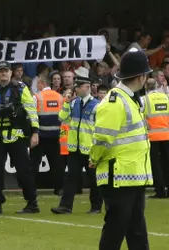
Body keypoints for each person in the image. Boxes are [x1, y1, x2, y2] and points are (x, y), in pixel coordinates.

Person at [89, 48, 154, 249]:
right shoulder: (115, 101)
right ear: (142, 77)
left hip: (131, 176)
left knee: (136, 232)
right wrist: (95, 157)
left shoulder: (129, 100)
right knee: (116, 231)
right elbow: (102, 138)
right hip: (118, 176)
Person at [0, 61, 39, 215]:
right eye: (0, 71)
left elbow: (31, 110)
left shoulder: (20, 88)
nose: (3, 73)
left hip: (17, 134)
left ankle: (32, 202)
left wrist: (35, 132)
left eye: (6, 71)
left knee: (23, 171)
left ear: (11, 72)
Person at [51, 76, 102, 215]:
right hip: (74, 148)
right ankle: (65, 206)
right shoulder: (73, 103)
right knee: (71, 178)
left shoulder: (97, 105)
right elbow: (62, 117)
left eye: (78, 87)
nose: (75, 90)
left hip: (90, 149)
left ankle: (96, 206)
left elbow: (100, 127)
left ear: (85, 87)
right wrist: (66, 103)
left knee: (94, 179)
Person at [141, 78, 169, 199]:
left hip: (152, 136)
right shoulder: (166, 97)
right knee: (168, 164)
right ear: (156, 86)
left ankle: (160, 191)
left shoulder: (144, 99)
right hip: (166, 134)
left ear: (145, 87)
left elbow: (136, 111)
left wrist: (144, 120)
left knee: (156, 164)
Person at [31, 73, 64, 195]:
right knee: (56, 164)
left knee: (34, 163)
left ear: (43, 83)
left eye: (38, 83)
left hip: (40, 135)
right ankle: (59, 188)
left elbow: (32, 115)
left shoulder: (37, 97)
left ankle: (31, 188)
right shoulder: (60, 97)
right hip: (56, 135)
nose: (37, 85)